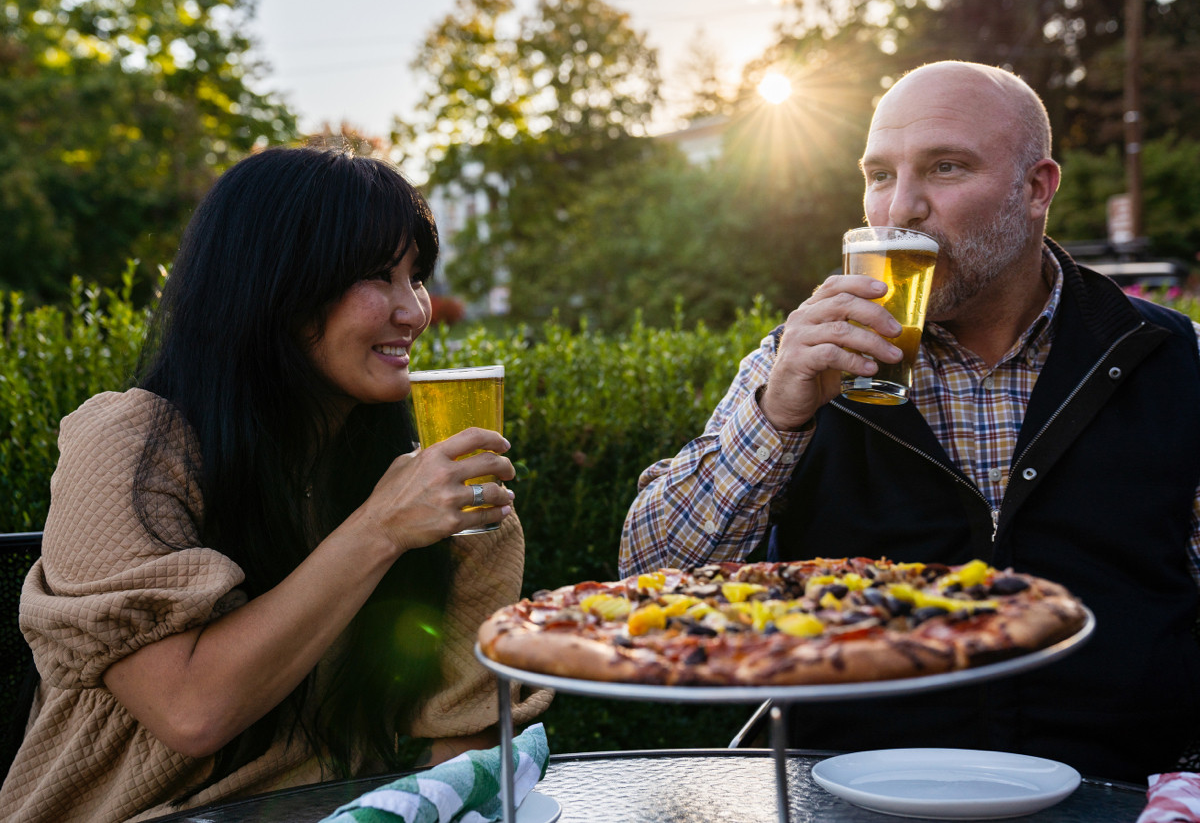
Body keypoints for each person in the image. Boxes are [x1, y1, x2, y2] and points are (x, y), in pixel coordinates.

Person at [620, 61, 1200, 784]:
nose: (898, 210)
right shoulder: (803, 361)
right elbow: (652, 576)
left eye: (945, 167)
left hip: (1113, 793)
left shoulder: (1166, 357)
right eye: (878, 175)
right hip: (854, 791)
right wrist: (778, 414)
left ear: (1036, 187)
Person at [1, 147, 550, 823]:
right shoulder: (128, 446)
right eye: (379, 275)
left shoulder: (433, 496)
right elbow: (190, 708)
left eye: (416, 276)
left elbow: (459, 754)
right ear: (277, 286)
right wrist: (380, 527)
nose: (415, 310)